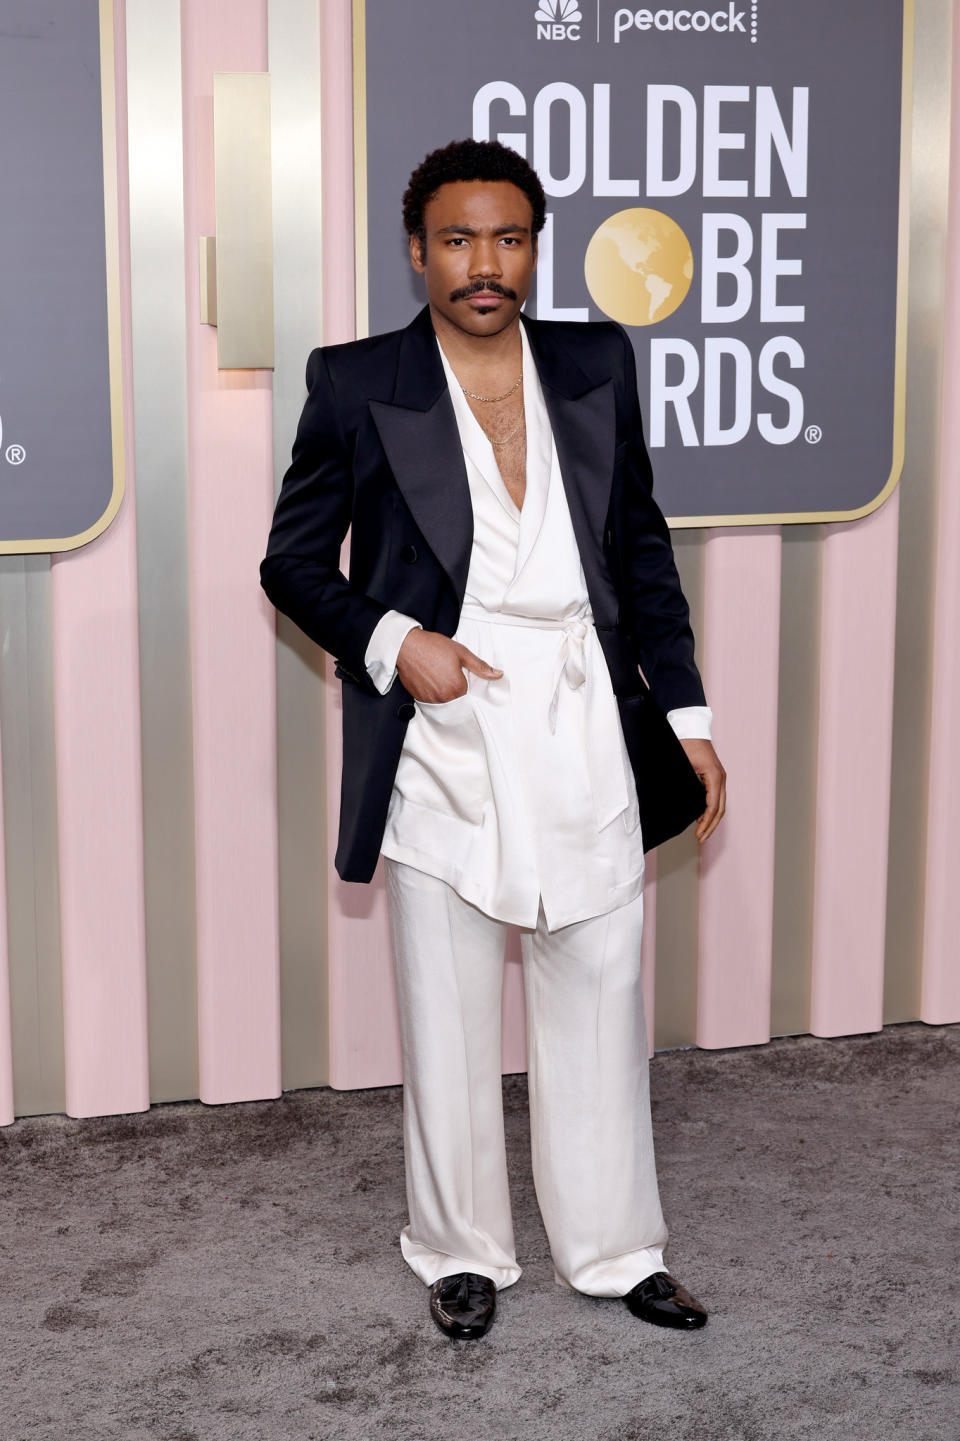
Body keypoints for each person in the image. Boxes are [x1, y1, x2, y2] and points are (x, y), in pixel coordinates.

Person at [261, 139, 726, 1342]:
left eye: (509, 239)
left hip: (583, 716)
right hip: (446, 729)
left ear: (534, 247)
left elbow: (642, 551)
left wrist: (687, 717)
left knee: (600, 990)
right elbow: (294, 563)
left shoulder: (593, 359)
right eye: (459, 240)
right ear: (417, 251)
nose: (486, 264)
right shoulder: (358, 381)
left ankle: (619, 1250)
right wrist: (392, 639)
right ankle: (460, 1248)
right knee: (451, 1004)